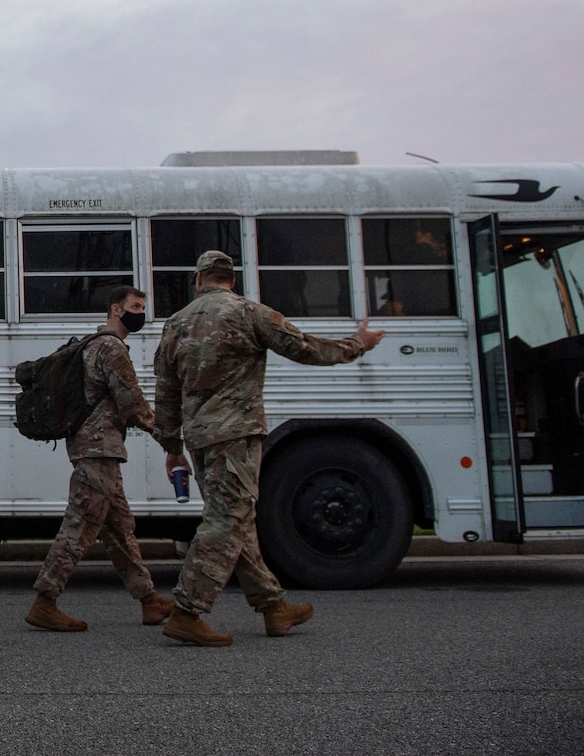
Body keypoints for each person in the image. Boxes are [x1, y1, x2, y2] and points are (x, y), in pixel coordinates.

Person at [153, 251, 383, 645]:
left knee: (236, 519)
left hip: (198, 438)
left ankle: (273, 607)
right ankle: (188, 611)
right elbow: (304, 348)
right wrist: (357, 344)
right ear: (232, 280)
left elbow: (166, 391)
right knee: (226, 522)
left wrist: (172, 446)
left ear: (198, 280)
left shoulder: (176, 323)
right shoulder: (250, 313)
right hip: (237, 435)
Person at [27, 286, 177, 632]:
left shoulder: (96, 345)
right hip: (98, 449)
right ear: (115, 309)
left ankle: (149, 600)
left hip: (99, 448)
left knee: (120, 529)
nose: (140, 313)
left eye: (142, 306)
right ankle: (45, 600)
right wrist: (171, 440)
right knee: (79, 526)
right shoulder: (110, 348)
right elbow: (133, 403)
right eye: (134, 306)